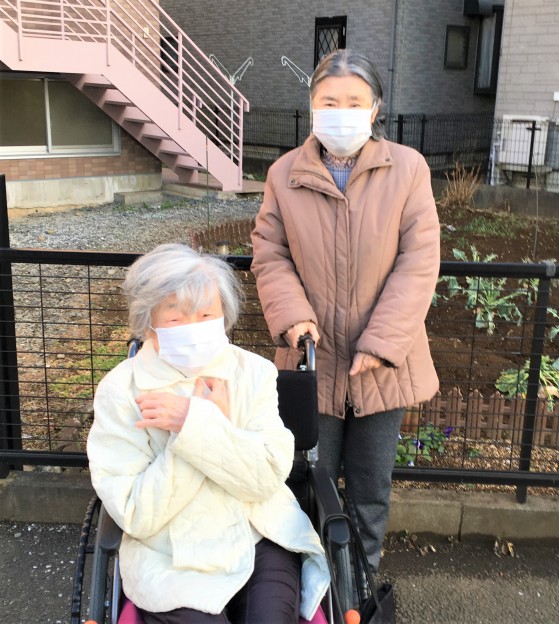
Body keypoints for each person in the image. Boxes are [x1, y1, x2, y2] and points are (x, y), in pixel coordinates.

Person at [251, 49, 440, 573]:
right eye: (329, 101)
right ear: (312, 105)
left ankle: (359, 586)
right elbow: (270, 252)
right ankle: (307, 592)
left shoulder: (408, 169)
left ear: (374, 108)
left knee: (370, 491)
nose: (342, 112)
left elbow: (420, 261)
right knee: (305, 484)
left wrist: (382, 343)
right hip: (312, 358)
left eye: (354, 102)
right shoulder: (285, 174)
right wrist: (293, 317)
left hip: (386, 363)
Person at [87, 244, 330, 624]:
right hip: (169, 552)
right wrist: (197, 430)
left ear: (224, 317)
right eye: (176, 318)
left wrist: (196, 423)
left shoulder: (253, 373)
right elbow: (135, 512)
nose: (194, 328)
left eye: (205, 315)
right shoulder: (120, 392)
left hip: (258, 530)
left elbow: (266, 478)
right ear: (148, 323)